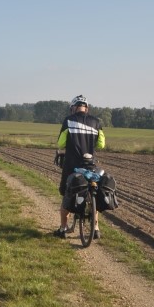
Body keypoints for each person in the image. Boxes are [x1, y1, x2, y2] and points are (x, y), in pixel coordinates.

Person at [54, 95, 106, 239]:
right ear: (86, 108)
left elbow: (61, 144)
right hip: (90, 165)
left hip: (72, 165)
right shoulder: (96, 122)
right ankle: (95, 228)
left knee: (67, 195)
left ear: (73, 107)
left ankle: (63, 229)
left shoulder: (68, 121)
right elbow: (101, 144)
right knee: (92, 191)